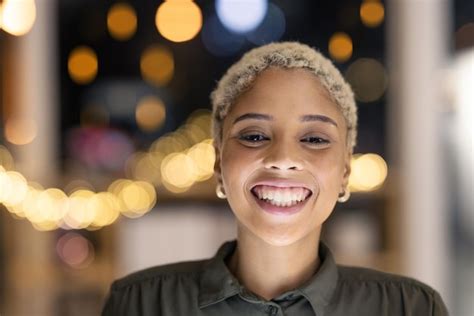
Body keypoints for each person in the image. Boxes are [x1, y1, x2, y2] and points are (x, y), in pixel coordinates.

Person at [102, 42, 448, 315]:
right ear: (219, 164)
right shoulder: (139, 305)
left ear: (345, 171)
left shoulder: (410, 308)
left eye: (314, 139)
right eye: (254, 136)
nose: (283, 159)